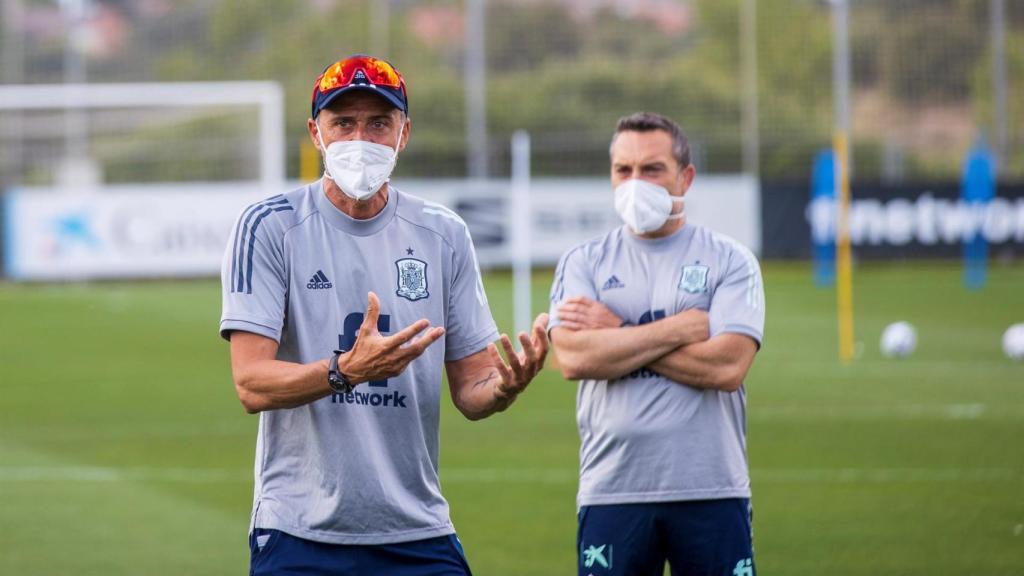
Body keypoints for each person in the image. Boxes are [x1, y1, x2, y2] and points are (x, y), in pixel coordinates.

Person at [219, 54, 549, 576]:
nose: (360, 139)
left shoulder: (443, 233)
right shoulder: (270, 227)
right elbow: (251, 383)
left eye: (378, 123)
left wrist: (503, 386)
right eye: (343, 122)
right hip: (299, 532)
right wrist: (346, 370)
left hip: (417, 532)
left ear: (404, 133)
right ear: (316, 133)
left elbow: (472, 389)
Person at [548, 112, 765, 576]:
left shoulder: (730, 260)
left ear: (685, 178)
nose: (635, 182)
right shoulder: (582, 262)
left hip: (713, 489)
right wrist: (683, 328)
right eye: (623, 170)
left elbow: (726, 368)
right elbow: (573, 357)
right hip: (613, 490)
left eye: (651, 170)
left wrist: (616, 333)